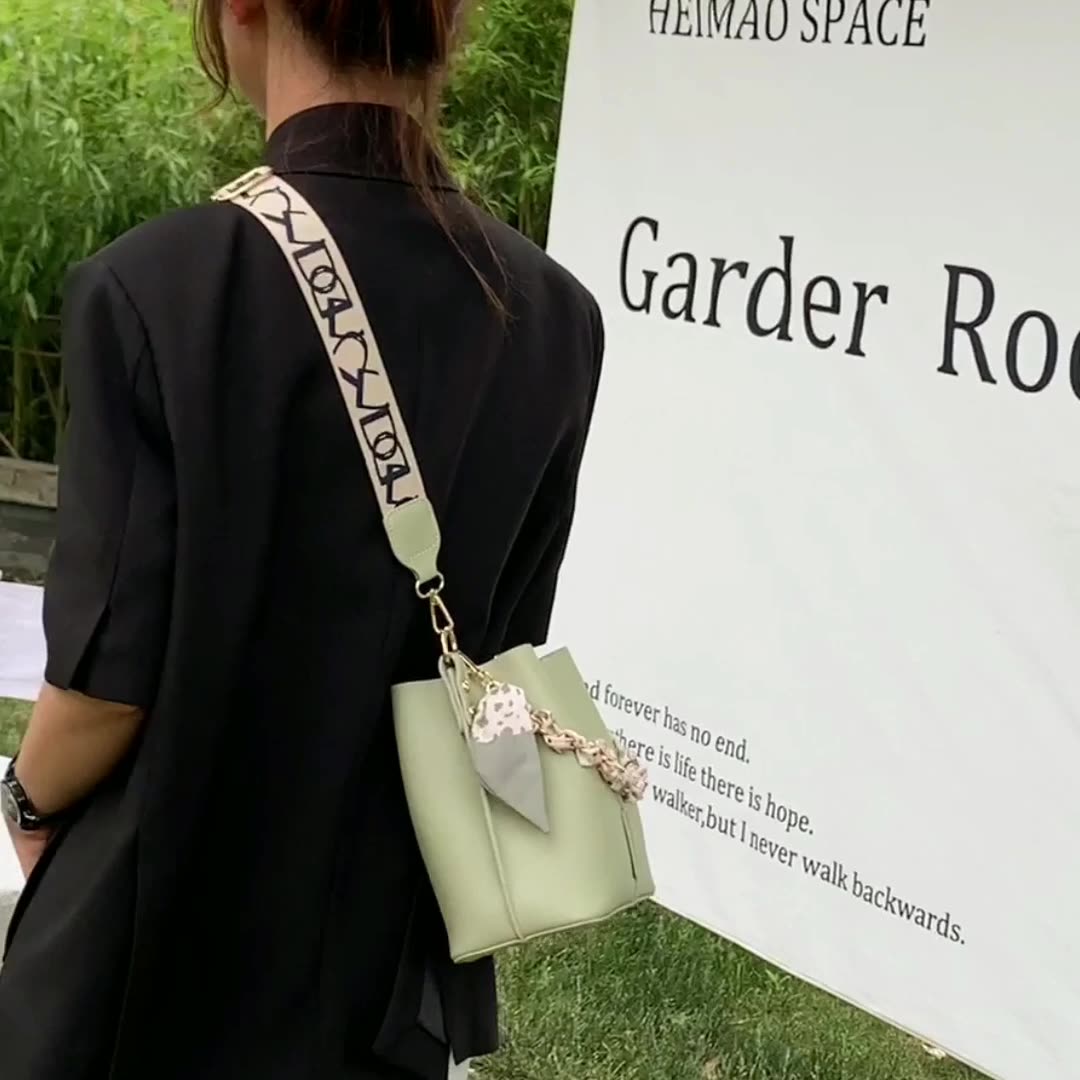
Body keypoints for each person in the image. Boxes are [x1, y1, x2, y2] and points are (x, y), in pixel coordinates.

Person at [0, 0, 604, 1076]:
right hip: (387, 965)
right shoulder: (554, 316)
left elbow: (103, 691)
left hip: (153, 955)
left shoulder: (157, 289)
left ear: (241, 10)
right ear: (451, 25)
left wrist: (26, 799)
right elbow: (500, 657)